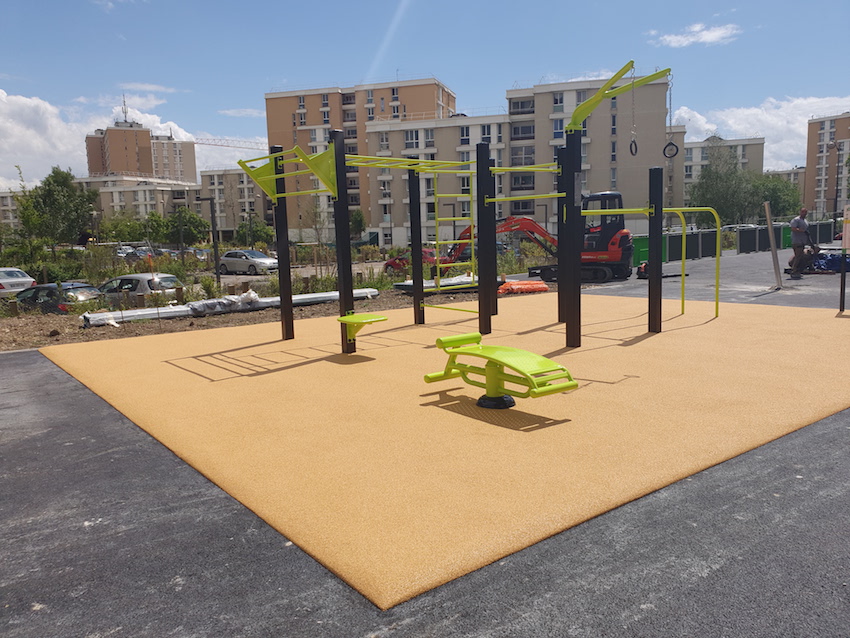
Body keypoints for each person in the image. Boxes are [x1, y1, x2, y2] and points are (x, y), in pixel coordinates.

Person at [789, 207, 810, 279]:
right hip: (797, 241)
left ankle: (797, 269)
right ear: (800, 212)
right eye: (803, 212)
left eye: (805, 212)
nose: (804, 214)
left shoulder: (805, 221)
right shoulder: (796, 220)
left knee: (800, 256)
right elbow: (793, 228)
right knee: (798, 256)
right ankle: (793, 270)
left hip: (803, 241)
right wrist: (801, 230)